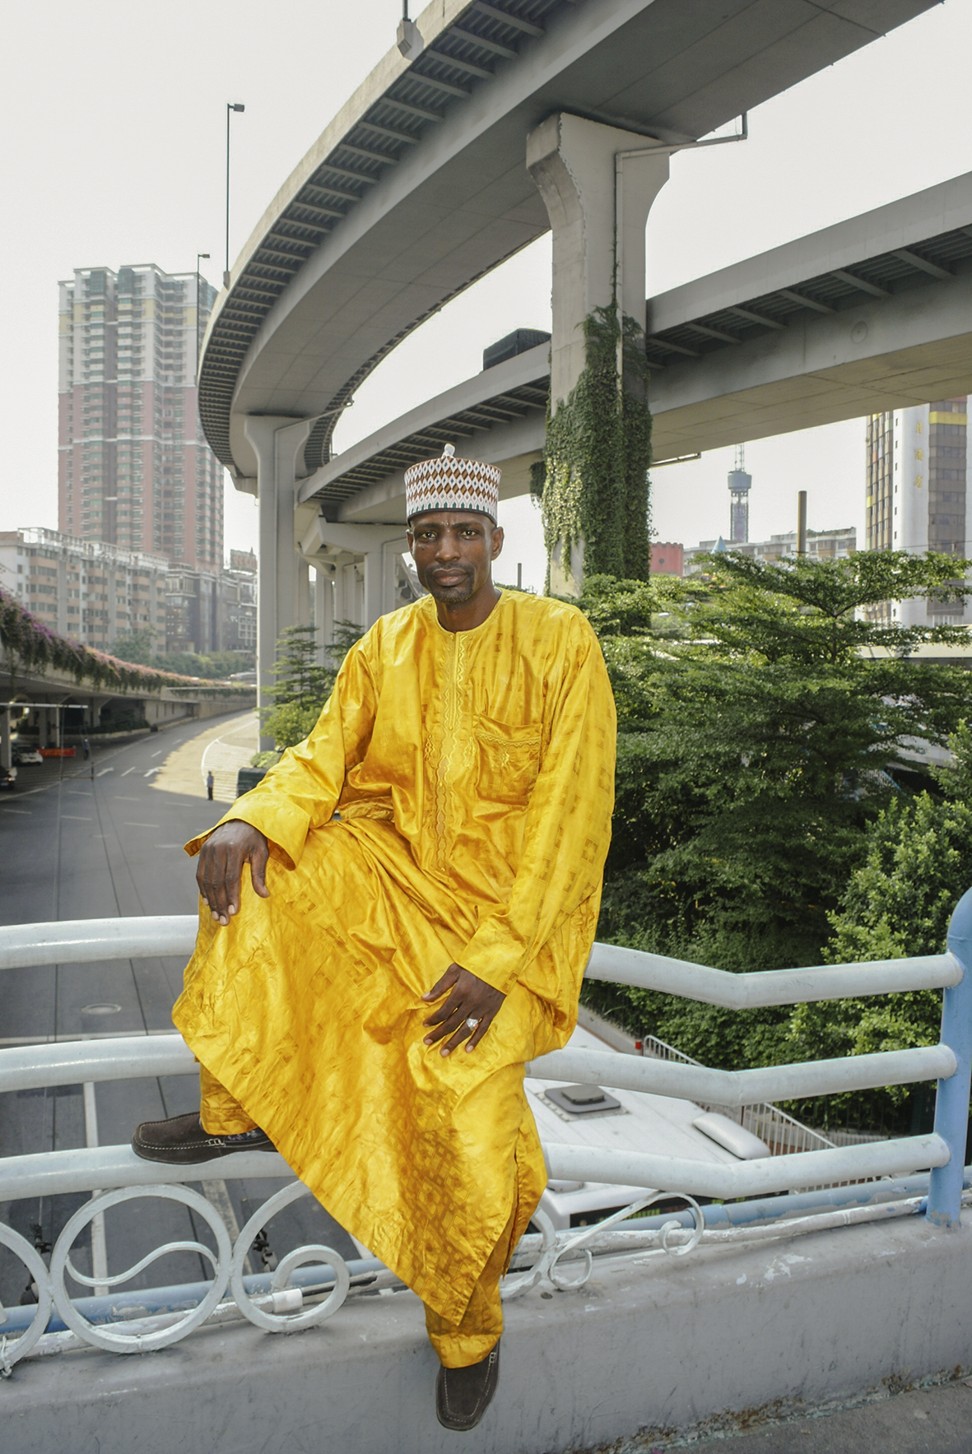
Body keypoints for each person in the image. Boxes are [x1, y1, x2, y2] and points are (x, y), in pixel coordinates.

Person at [132, 445, 616, 1432]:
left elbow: (573, 819)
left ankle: (467, 1328)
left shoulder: (561, 641)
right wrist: (248, 818)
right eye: (428, 534)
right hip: (397, 886)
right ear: (411, 546)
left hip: (508, 935)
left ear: (495, 539)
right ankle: (236, 1107)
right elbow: (318, 757)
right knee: (262, 866)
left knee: (464, 1113)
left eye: (463, 533)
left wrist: (490, 964)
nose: (446, 551)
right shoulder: (386, 646)